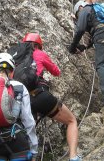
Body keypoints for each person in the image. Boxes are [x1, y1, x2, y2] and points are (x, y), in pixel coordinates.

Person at [22, 33, 82, 161]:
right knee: (71, 121)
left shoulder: (17, 58)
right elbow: (56, 72)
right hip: (39, 95)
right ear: (38, 45)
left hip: (21, 100)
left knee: (25, 134)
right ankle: (73, 157)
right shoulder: (39, 53)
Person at [0, 53, 38, 161]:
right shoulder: (19, 86)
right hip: (17, 141)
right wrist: (33, 150)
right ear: (12, 72)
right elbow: (28, 121)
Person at [69, 0, 104, 106]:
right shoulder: (99, 11)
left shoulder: (85, 9)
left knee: (101, 64)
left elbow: (80, 30)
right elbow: (98, 31)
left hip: (103, 34)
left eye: (77, 14)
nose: (79, 16)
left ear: (80, 7)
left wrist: (73, 46)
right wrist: (85, 46)